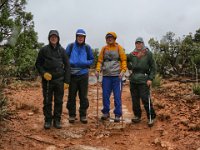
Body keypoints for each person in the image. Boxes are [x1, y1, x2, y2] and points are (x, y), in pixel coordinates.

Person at [35, 30, 70, 129]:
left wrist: (67, 81)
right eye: (52, 37)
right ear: (49, 38)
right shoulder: (44, 50)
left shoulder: (62, 50)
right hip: (47, 81)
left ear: (58, 38)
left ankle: (57, 120)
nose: (53, 38)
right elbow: (38, 64)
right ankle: (48, 120)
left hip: (59, 80)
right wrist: (43, 73)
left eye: (55, 37)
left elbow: (67, 66)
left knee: (59, 101)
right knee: (47, 101)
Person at [96, 32, 127, 122]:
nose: (109, 39)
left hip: (117, 76)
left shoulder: (119, 48)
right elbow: (100, 61)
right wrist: (98, 70)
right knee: (105, 95)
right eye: (108, 38)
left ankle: (117, 114)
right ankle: (106, 112)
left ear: (114, 38)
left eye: (111, 37)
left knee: (117, 96)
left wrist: (123, 70)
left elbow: (123, 60)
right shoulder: (104, 49)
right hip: (106, 76)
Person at [66, 29, 94, 124]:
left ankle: (83, 115)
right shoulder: (70, 46)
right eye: (79, 36)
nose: (80, 38)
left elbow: (91, 59)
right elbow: (65, 58)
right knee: (71, 96)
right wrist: (71, 63)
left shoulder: (87, 47)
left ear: (84, 38)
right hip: (72, 75)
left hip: (83, 74)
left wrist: (85, 63)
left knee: (83, 96)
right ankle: (72, 115)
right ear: (76, 37)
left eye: (82, 37)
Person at [127, 37, 156, 127]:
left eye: (140, 43)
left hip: (144, 79)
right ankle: (137, 116)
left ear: (143, 44)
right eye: (137, 43)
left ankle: (151, 117)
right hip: (133, 80)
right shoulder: (132, 54)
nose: (138, 45)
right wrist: (130, 68)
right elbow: (126, 59)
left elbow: (153, 67)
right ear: (135, 44)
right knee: (135, 99)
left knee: (145, 99)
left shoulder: (148, 54)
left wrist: (150, 78)